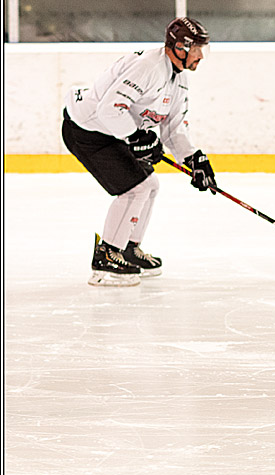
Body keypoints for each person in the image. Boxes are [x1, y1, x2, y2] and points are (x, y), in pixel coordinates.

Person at [61, 17, 218, 287]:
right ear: (180, 47)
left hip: (109, 131)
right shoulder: (149, 67)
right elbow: (109, 109)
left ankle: (128, 248)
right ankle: (107, 257)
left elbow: (174, 125)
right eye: (197, 49)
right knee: (137, 188)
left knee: (151, 185)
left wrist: (194, 158)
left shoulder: (177, 78)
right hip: (86, 130)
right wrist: (136, 136)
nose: (201, 56)